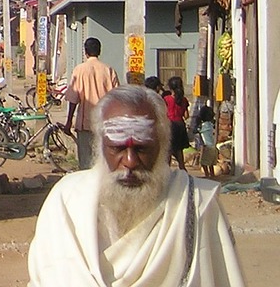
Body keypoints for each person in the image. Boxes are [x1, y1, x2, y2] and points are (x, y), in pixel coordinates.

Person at [27, 85, 246, 287]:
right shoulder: (65, 202)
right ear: (100, 145)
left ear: (162, 146)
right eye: (118, 148)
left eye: (142, 149)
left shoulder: (197, 204)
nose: (130, 162)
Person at [63, 36, 120, 170]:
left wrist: (69, 121)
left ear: (86, 52)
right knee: (105, 162)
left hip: (85, 124)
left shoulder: (79, 70)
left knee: (86, 163)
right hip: (105, 124)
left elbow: (73, 99)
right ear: (99, 51)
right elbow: (117, 98)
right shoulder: (109, 70)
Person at [165, 75, 191, 170]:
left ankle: (166, 172)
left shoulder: (167, 99)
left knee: (168, 151)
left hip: (170, 125)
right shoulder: (184, 100)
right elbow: (186, 115)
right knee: (179, 151)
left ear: (170, 87)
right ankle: (183, 171)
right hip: (180, 126)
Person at [194, 105, 219, 178]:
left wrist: (197, 121)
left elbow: (195, 131)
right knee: (210, 164)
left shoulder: (202, 126)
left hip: (207, 147)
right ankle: (212, 175)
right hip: (213, 147)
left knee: (203, 163)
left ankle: (207, 175)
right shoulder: (210, 125)